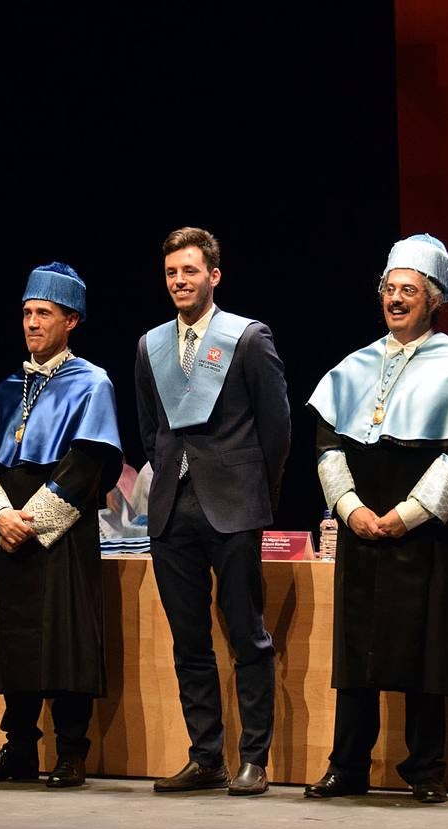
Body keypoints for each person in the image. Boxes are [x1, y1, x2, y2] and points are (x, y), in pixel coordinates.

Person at [304, 234, 448, 804]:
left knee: (425, 645)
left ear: (434, 298)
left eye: (409, 289)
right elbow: (326, 440)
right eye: (390, 288)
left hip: (422, 527)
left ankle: (426, 768)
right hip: (363, 521)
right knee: (356, 647)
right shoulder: (355, 363)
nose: (396, 298)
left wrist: (408, 514)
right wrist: (350, 508)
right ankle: (348, 764)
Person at [0, 262, 121, 789]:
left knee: (65, 639)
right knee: (16, 640)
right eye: (26, 313)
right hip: (10, 530)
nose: (31, 323)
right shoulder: (7, 388)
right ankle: (20, 746)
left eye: (42, 313)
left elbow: (88, 463)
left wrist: (35, 521)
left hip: (61, 533)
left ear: (70, 320)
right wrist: (0, 516)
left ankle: (71, 752)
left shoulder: (91, 383)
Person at [136, 227, 290, 797]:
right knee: (189, 640)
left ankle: (254, 758)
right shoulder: (150, 345)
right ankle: (206, 757)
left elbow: (277, 430)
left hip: (234, 507)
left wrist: (253, 493)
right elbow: (150, 429)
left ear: (213, 276)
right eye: (172, 272)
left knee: (246, 635)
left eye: (190, 272)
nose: (180, 281)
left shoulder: (247, 338)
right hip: (172, 509)